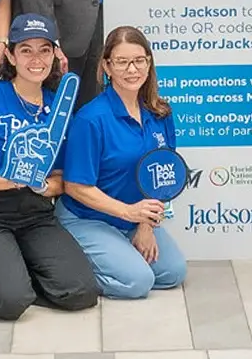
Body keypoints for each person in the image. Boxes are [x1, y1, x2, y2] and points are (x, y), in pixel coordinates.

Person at [0, 14, 101, 318]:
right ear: (10, 54)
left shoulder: (58, 110)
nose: (36, 59)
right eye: (26, 50)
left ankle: (10, 268)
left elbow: (62, 179)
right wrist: (13, 179)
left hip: (35, 214)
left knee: (81, 293)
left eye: (44, 50)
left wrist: (45, 186)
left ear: (55, 55)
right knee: (10, 302)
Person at [60, 26, 192, 300]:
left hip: (133, 219)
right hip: (87, 218)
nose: (132, 70)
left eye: (138, 60)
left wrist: (144, 225)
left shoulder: (161, 112)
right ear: (107, 66)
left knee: (173, 273)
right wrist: (128, 213)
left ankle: (119, 251)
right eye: (122, 62)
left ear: (149, 62)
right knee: (137, 282)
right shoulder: (91, 119)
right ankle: (62, 269)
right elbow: (75, 187)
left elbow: (161, 180)